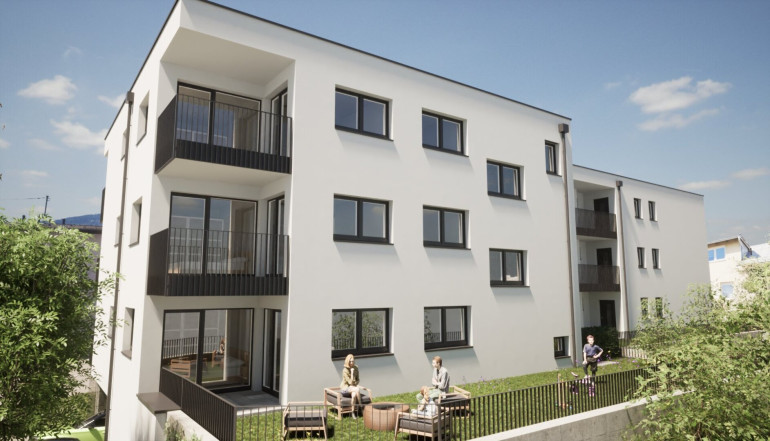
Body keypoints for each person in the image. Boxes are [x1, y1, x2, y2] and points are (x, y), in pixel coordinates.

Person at [340, 354, 362, 418]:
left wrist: (356, 383)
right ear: (347, 361)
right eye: (350, 361)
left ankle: (352, 412)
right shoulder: (345, 370)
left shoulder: (356, 368)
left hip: (353, 388)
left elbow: (358, 379)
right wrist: (352, 373)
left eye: (353, 361)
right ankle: (361, 407)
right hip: (345, 389)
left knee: (354, 395)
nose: (352, 363)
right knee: (357, 389)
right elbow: (350, 382)